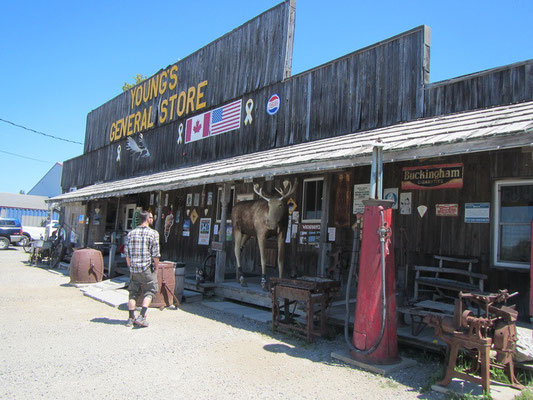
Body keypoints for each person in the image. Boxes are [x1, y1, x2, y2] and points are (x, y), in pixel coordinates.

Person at [124, 210, 160, 327]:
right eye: (151, 217)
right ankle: (142, 316)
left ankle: (130, 318)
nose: (152, 219)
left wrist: (130, 267)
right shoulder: (153, 233)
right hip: (146, 267)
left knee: (133, 292)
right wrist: (157, 268)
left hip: (134, 268)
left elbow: (127, 254)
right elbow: (155, 254)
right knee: (151, 290)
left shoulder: (131, 233)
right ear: (148, 219)